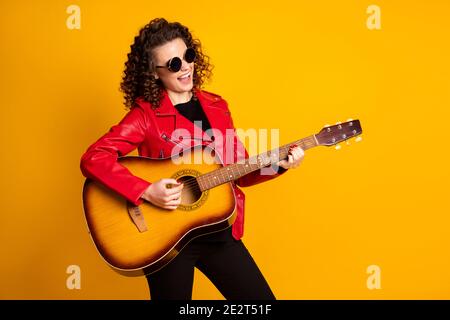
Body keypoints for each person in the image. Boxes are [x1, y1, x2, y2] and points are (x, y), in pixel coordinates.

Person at [80, 17, 304, 300]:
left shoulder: (217, 105)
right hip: (166, 239)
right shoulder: (145, 116)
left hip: (218, 231)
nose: (185, 66)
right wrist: (146, 190)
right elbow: (93, 158)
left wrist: (278, 165)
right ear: (154, 73)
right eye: (173, 64)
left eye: (188, 56)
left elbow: (240, 171)